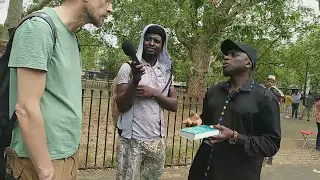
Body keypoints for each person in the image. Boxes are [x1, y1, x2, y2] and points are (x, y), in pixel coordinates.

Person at [6, 1, 112, 180]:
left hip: (67, 156)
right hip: (40, 163)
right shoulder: (39, 28)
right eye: (108, 0)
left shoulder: (71, 36)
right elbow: (25, 108)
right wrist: (45, 170)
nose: (110, 8)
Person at [183, 39, 281, 180]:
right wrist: (200, 121)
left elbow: (271, 144)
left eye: (234, 55)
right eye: (226, 55)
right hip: (202, 170)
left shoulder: (264, 98)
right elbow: (210, 125)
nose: (226, 57)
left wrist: (235, 136)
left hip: (239, 173)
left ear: (248, 63)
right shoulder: (213, 92)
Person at [115, 24, 178, 180]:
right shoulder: (128, 68)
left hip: (157, 141)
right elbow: (122, 105)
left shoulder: (166, 71)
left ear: (162, 46)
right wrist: (135, 79)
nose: (151, 43)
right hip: (132, 141)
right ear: (142, 41)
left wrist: (153, 93)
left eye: (156, 41)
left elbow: (174, 105)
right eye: (148, 39)